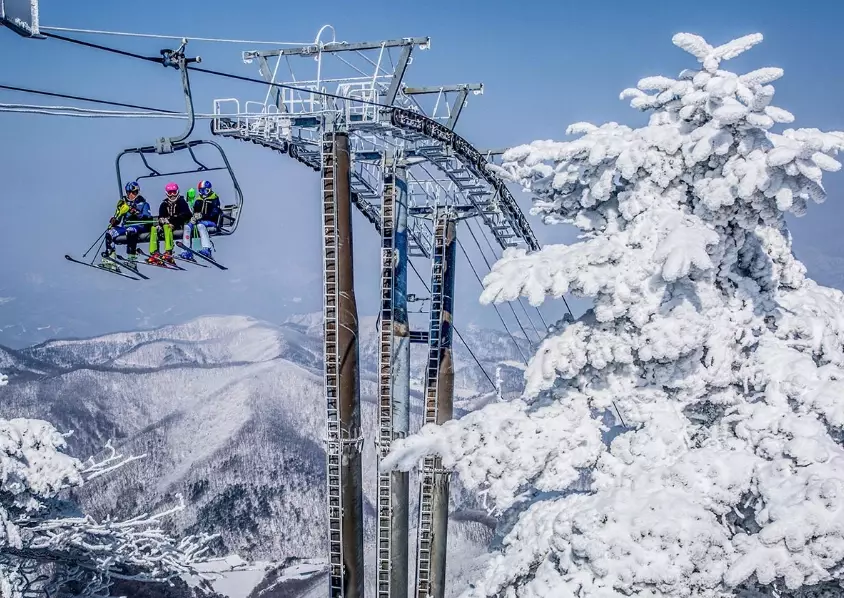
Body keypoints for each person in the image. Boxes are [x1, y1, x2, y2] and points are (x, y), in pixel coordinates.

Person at [102, 181, 151, 265]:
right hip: (125, 226)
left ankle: (131, 257)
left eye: (134, 192)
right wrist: (114, 220)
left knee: (130, 230)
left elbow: (148, 218)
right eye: (129, 192)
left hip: (138, 226)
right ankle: (111, 256)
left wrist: (136, 213)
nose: (132, 195)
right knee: (110, 232)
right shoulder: (123, 204)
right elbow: (118, 218)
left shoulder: (143, 204)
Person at [148, 182, 191, 264]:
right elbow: (161, 216)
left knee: (167, 227)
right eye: (170, 193)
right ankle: (154, 252)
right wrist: (162, 220)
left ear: (177, 192)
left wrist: (172, 220)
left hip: (178, 225)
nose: (172, 195)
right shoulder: (164, 204)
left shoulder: (181, 202)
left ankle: (168, 251)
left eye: (174, 192)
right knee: (154, 228)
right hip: (166, 225)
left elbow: (187, 215)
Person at [179, 179, 221, 260]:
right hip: (200, 221)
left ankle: (207, 249)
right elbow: (195, 211)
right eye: (201, 191)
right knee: (187, 227)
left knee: (200, 226)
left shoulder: (214, 199)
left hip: (211, 222)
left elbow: (215, 212)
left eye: (206, 191)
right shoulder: (198, 201)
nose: (203, 193)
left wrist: (203, 216)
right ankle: (186, 250)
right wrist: (194, 217)